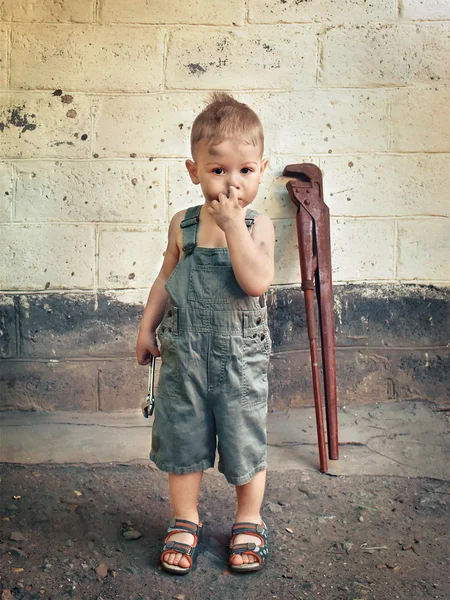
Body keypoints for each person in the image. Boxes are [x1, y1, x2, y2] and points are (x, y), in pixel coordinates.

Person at [136, 92, 275, 574]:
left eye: (245, 171)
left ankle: (249, 519)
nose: (231, 183)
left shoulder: (258, 225)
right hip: (185, 356)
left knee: (244, 441)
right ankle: (185, 519)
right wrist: (146, 326)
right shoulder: (184, 224)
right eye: (218, 171)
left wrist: (234, 226)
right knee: (182, 442)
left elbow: (255, 281)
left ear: (261, 170)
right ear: (195, 171)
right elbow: (164, 278)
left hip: (240, 360)